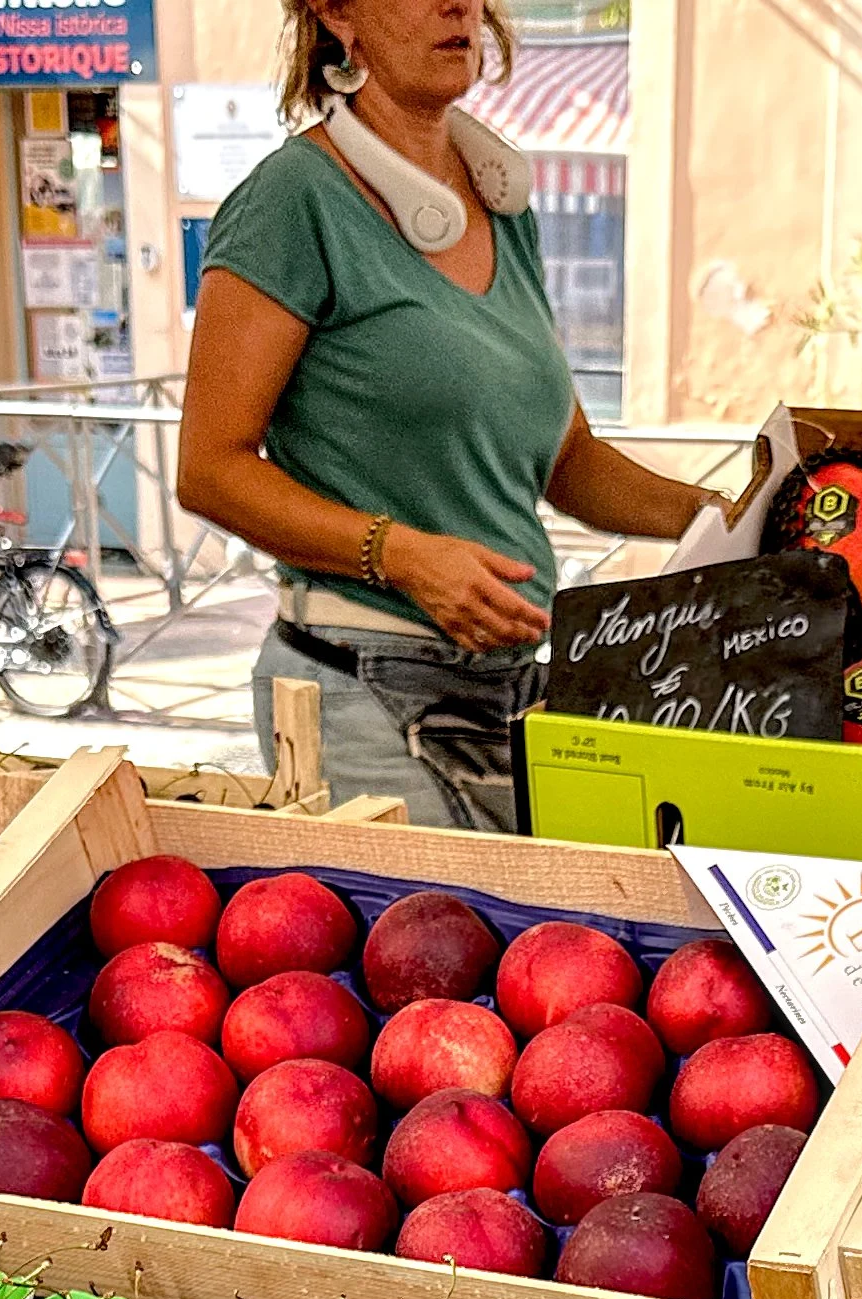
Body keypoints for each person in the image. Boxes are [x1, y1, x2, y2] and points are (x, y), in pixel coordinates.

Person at [178, 0, 707, 825]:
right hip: (360, 686)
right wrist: (403, 557)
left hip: (516, 689)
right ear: (337, 16)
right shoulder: (292, 201)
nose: (459, 3)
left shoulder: (501, 206)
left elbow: (568, 460)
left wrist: (718, 517)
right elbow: (210, 471)